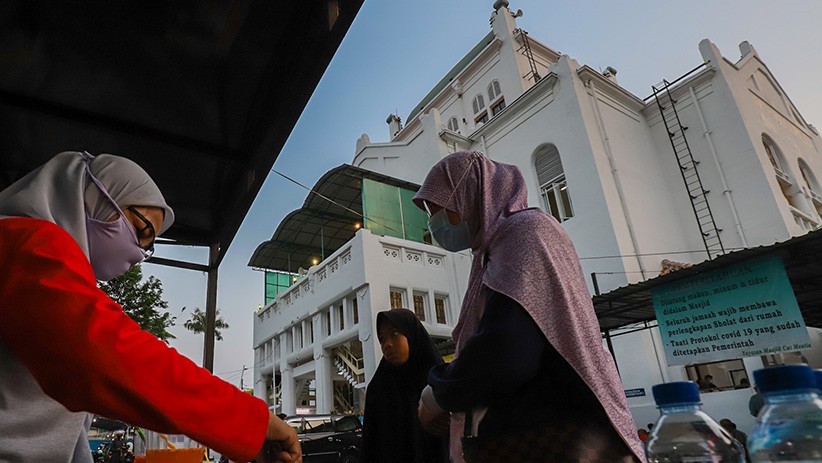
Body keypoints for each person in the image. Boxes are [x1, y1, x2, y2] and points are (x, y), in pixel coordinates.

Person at [0, 152, 300, 462]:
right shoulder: (25, 242)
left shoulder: (51, 265)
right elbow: (105, 355)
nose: (140, 253)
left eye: (149, 245)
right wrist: (251, 421)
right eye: (140, 230)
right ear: (92, 195)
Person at [413, 152, 645, 462]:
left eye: (440, 206)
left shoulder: (524, 233)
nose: (434, 221)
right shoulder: (494, 250)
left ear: (470, 193)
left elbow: (506, 353)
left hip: (557, 437)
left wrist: (440, 392)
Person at [360, 309, 448, 463]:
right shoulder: (378, 388)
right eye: (382, 339)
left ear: (411, 334)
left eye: (394, 333)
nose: (387, 344)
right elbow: (370, 445)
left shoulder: (439, 382)